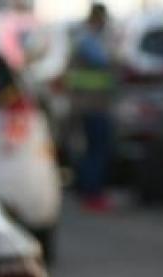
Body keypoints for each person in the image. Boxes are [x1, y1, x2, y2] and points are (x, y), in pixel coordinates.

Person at [66, 2, 116, 212]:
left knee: (92, 150)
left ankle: (89, 191)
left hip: (90, 105)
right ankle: (91, 194)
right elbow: (104, 62)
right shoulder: (89, 41)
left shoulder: (86, 38)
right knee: (97, 151)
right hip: (92, 106)